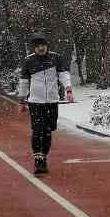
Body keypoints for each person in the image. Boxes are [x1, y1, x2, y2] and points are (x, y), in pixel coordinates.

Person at [17, 34, 72, 174]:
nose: (41, 48)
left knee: (48, 131)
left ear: (47, 46)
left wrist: (68, 89)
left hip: (52, 100)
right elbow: (24, 81)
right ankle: (38, 160)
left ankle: (44, 157)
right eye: (37, 46)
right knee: (37, 130)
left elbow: (63, 74)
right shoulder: (29, 61)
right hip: (36, 101)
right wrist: (22, 100)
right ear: (34, 48)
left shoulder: (55, 58)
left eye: (43, 45)